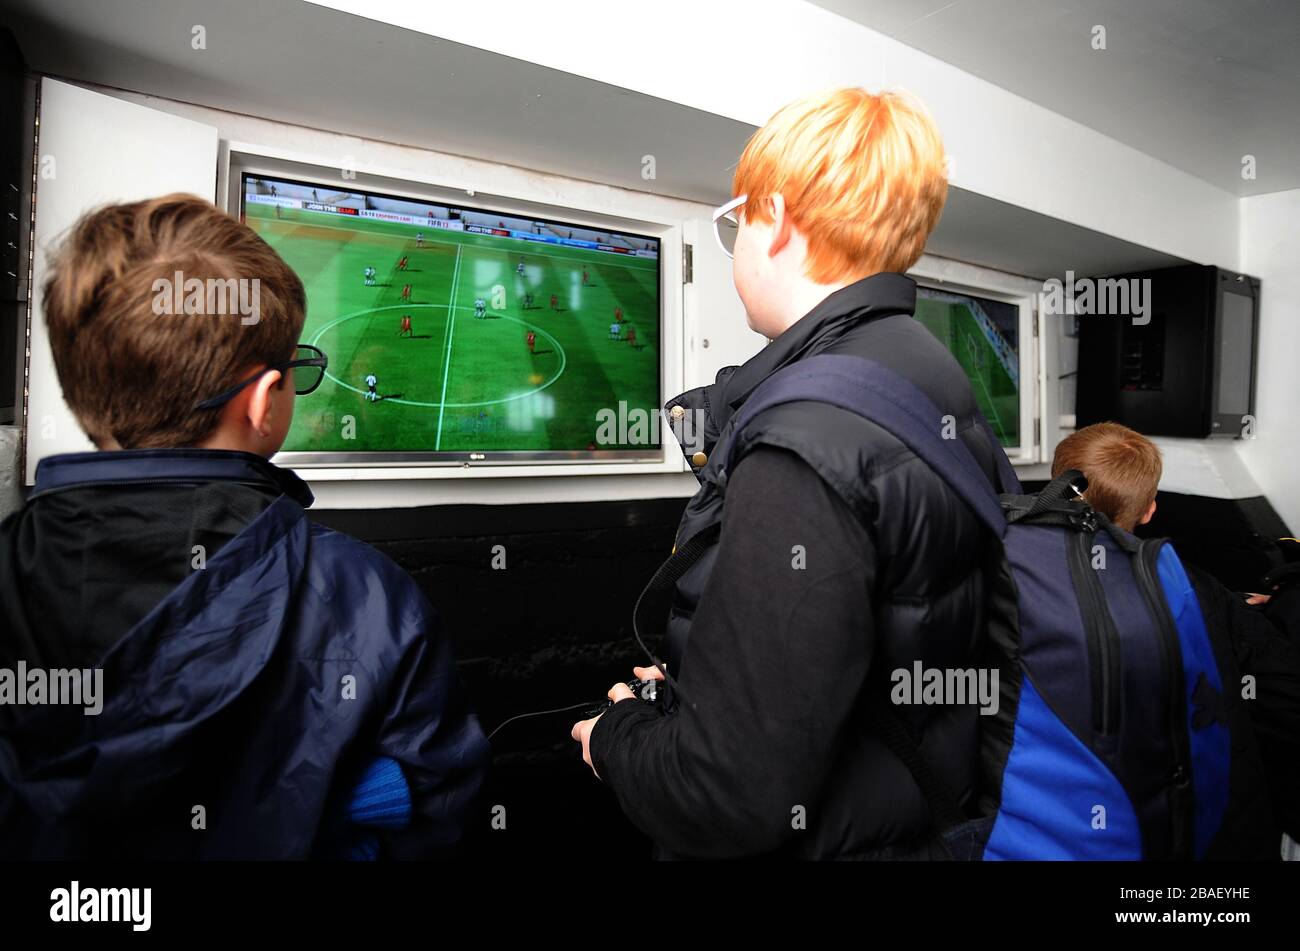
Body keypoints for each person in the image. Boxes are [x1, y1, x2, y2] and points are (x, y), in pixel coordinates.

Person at [571, 87, 999, 859]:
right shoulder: (925, 377)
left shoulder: (807, 435)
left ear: (777, 219)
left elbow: (729, 800)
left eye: (737, 219)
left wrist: (615, 734)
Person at [0, 195, 489, 859]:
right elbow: (437, 804)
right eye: (297, 369)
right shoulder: (366, 596)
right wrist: (325, 799)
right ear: (264, 401)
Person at [1051, 422, 1300, 847]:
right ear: (1149, 510)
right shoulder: (1195, 590)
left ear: (1053, 489)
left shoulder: (1005, 578)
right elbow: (1285, 698)